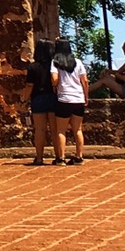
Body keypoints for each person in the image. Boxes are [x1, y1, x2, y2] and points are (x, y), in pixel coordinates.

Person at [48, 37, 88, 165]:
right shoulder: (78, 62)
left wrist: (56, 86)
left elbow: (54, 79)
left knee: (61, 130)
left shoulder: (55, 62)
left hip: (64, 99)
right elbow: (85, 81)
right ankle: (79, 157)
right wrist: (85, 96)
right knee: (78, 130)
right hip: (78, 99)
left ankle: (61, 158)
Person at [26, 35, 62, 165]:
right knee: (55, 130)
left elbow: (30, 86)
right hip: (53, 97)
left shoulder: (33, 67)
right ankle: (59, 156)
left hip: (38, 98)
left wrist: (25, 99)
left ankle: (39, 157)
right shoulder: (55, 66)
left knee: (40, 130)